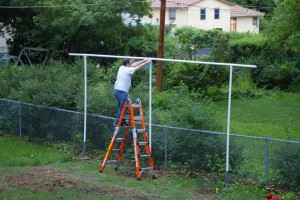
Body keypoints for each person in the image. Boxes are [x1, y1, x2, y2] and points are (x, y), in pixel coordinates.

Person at [113, 58, 151, 126]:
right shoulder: (128, 69)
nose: (131, 64)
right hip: (122, 92)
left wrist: (144, 60)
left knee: (125, 105)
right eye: (130, 63)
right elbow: (137, 67)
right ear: (128, 64)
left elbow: (135, 64)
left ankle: (122, 121)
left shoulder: (122, 67)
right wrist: (146, 63)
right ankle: (117, 121)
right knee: (123, 106)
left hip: (118, 91)